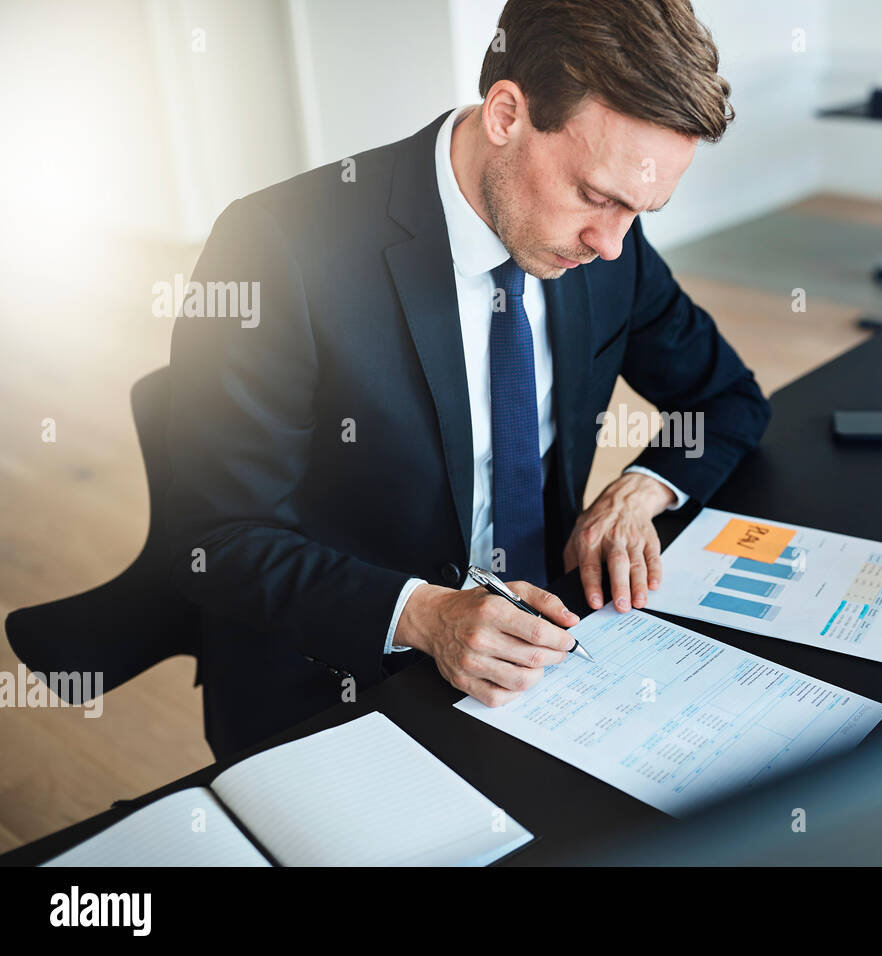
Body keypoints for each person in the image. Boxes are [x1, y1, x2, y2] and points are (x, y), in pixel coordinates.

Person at [166, 0, 771, 758]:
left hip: (548, 658)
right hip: (336, 678)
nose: (614, 243)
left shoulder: (606, 239)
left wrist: (640, 489)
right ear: (507, 114)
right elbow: (210, 538)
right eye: (594, 194)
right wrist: (426, 616)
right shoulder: (277, 248)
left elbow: (726, 398)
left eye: (641, 208)